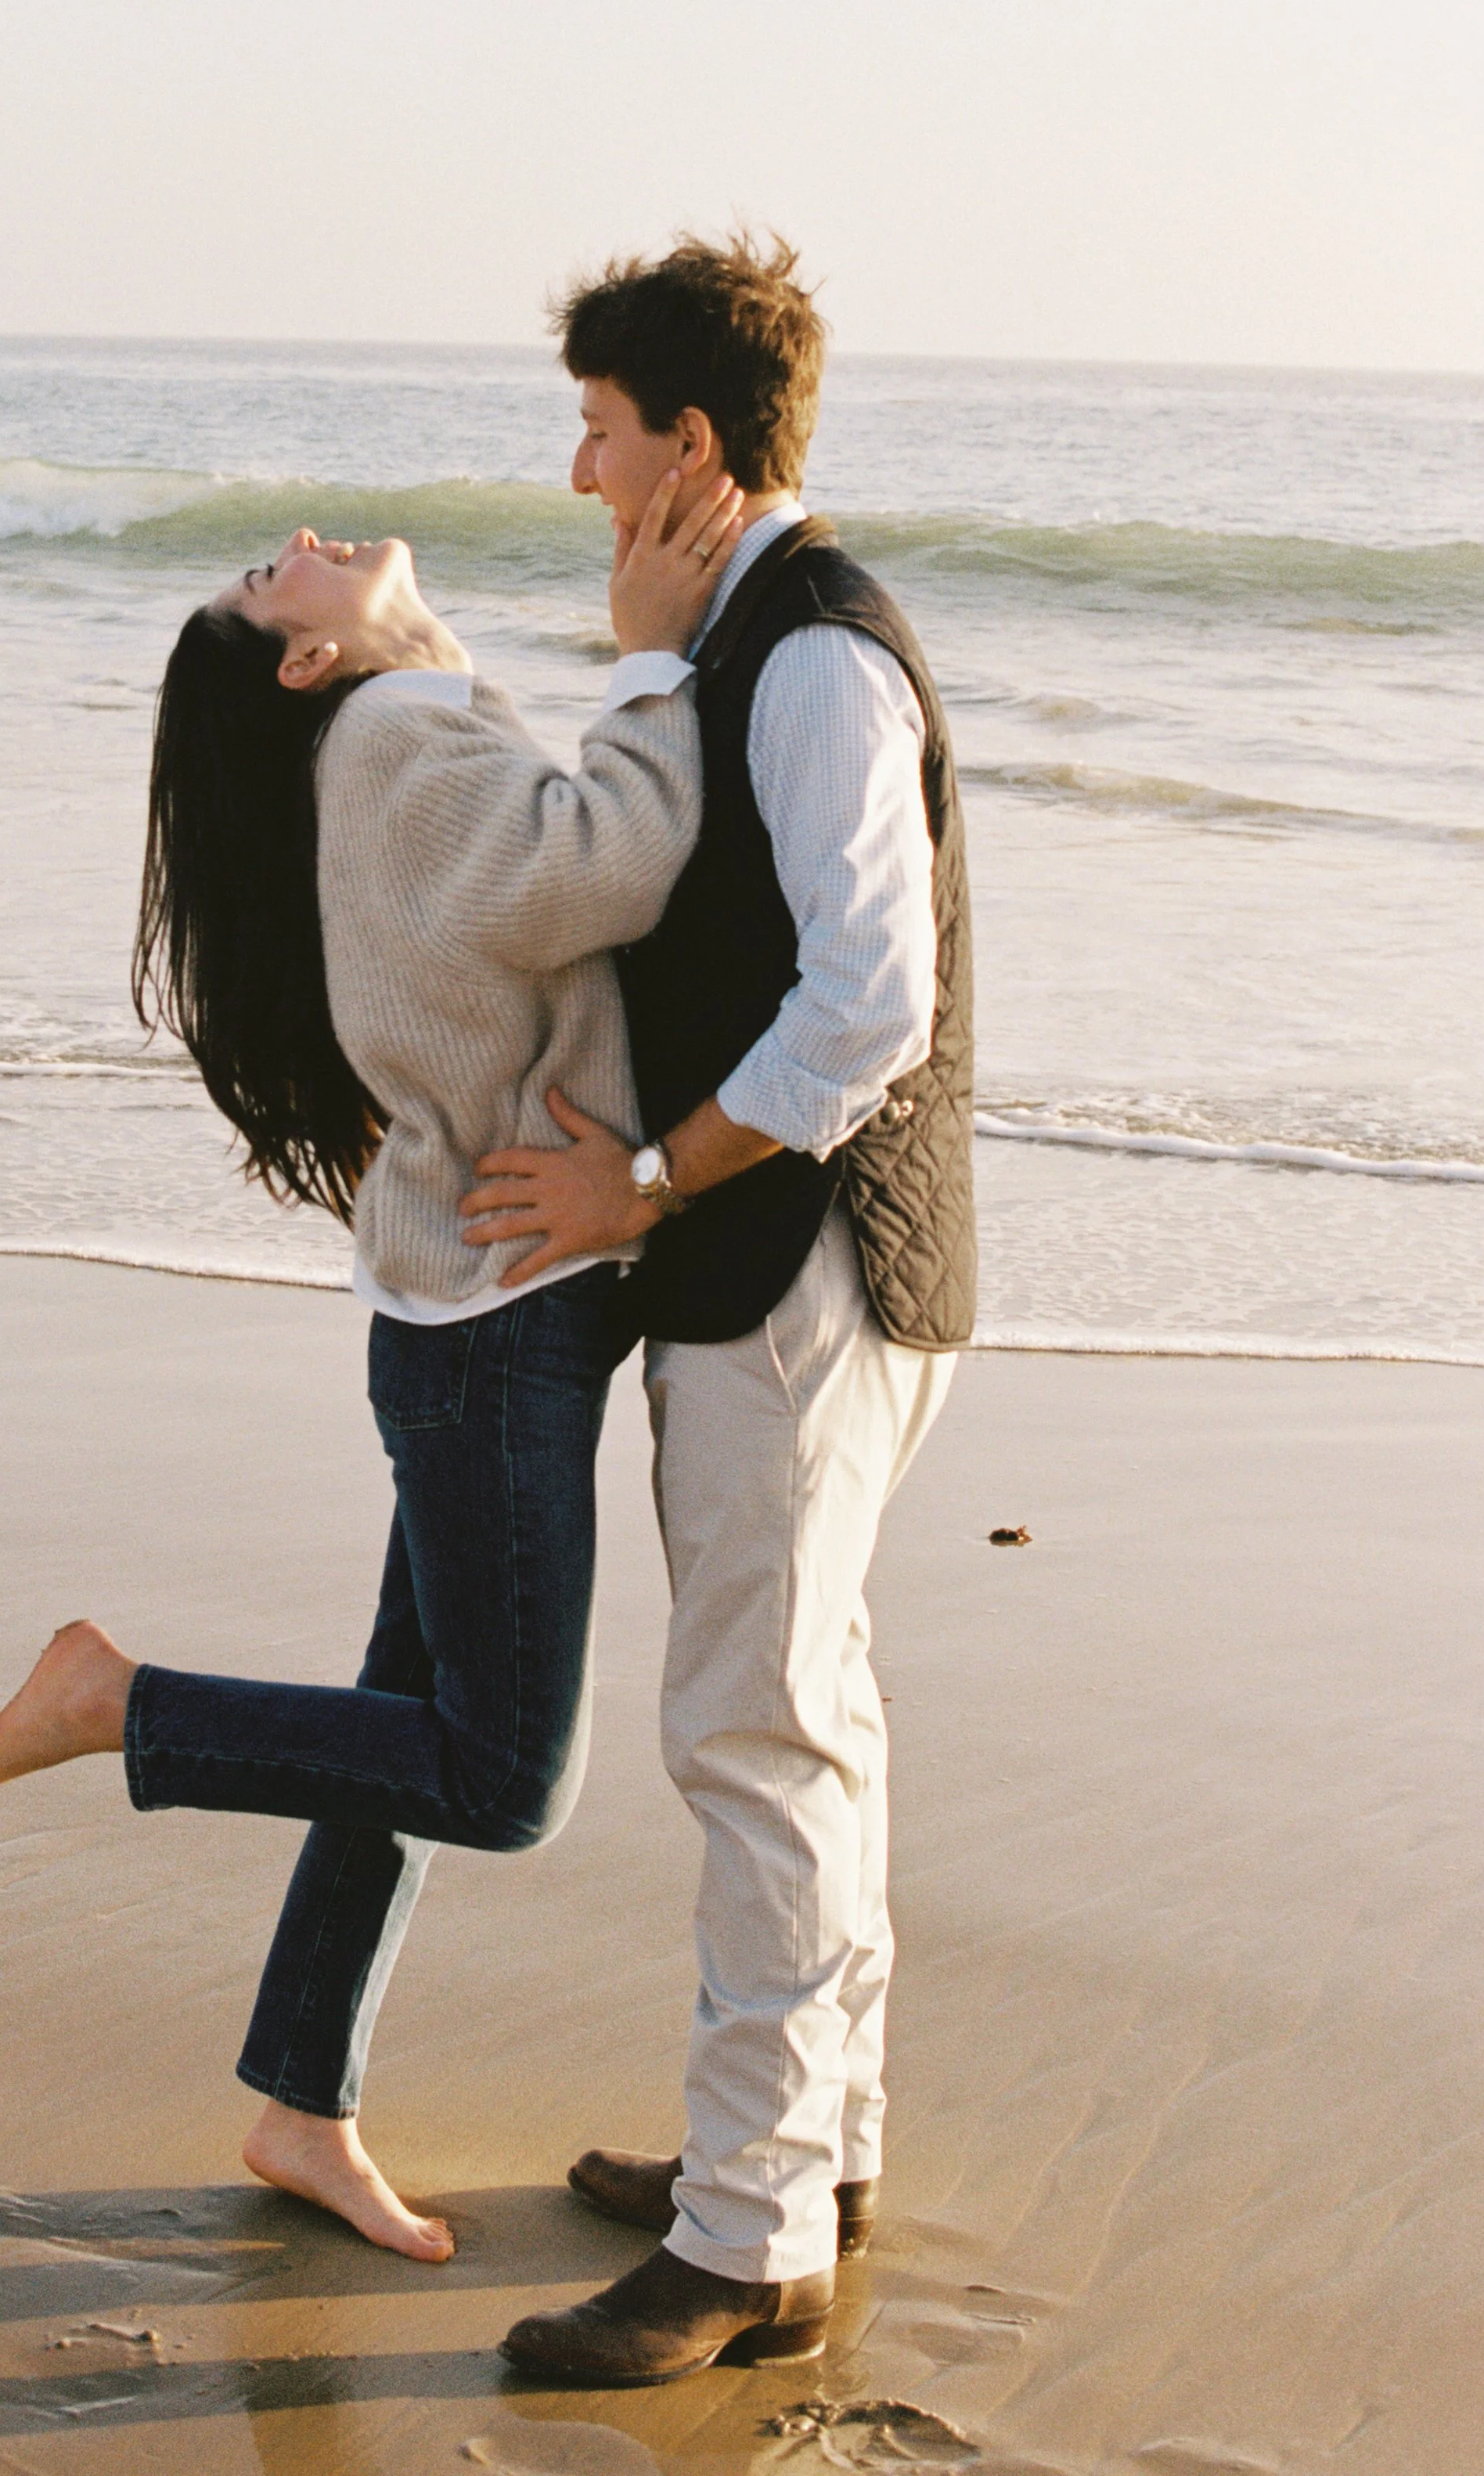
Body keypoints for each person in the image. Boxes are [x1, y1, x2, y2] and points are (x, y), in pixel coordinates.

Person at [0, 474, 743, 2264]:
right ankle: (117, 1702)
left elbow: (507, 905)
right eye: (266, 570)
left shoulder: (395, 716)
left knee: (400, 1727)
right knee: (494, 1774)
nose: (296, 534)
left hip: (474, 1310)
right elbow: (600, 864)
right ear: (303, 659)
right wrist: (648, 659)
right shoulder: (388, 729)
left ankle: (303, 2102)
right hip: (494, 1331)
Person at [459, 234, 977, 2386]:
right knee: (813, 1713)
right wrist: (650, 654)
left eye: (595, 432)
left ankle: (742, 2240)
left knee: (748, 1735)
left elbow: (868, 999)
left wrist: (646, 1179)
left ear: (687, 439)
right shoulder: (740, 639)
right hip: (843, 1277)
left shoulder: (809, 657)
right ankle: (810, 2149)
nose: (577, 472)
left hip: (795, 1281)